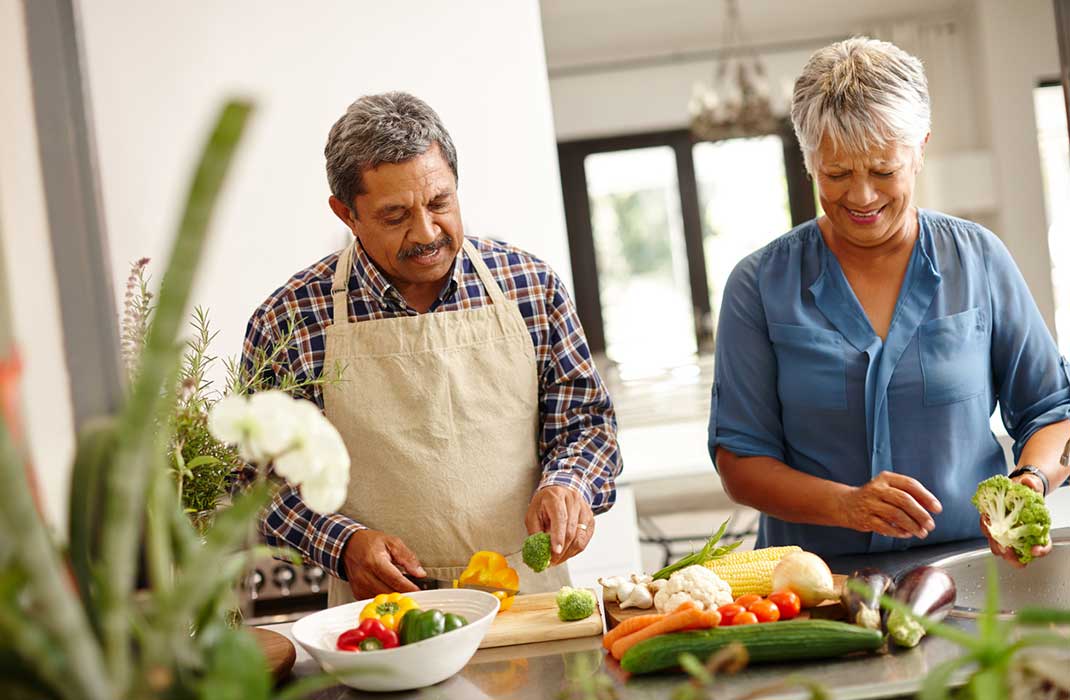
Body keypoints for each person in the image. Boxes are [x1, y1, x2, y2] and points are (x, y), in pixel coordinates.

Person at [242, 92, 621, 604]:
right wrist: (344, 545)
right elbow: (262, 482)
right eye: (395, 215)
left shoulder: (531, 286)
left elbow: (586, 425)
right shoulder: (286, 320)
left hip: (526, 596)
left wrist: (569, 483)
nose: (426, 233)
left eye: (439, 203)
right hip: (382, 612)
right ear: (346, 214)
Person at [708, 37, 1070, 565]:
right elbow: (740, 461)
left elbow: (1053, 411)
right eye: (836, 174)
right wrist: (847, 506)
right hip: (814, 586)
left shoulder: (979, 259)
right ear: (808, 161)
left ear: (920, 148)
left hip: (967, 569)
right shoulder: (758, 284)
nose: (861, 197)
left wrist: (1029, 483)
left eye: (882, 171)